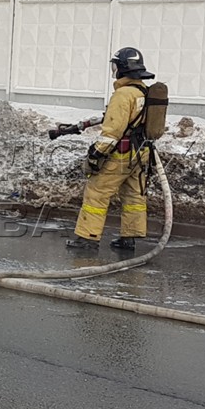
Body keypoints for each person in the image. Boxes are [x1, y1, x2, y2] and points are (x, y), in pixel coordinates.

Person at [65, 47, 156, 254]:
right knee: (134, 195)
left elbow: (112, 131)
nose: (113, 70)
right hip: (142, 153)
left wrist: (96, 153)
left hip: (122, 154)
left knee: (97, 191)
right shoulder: (144, 92)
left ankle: (87, 238)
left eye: (115, 66)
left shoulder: (123, 95)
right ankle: (129, 238)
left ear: (122, 68)